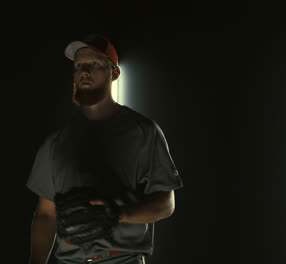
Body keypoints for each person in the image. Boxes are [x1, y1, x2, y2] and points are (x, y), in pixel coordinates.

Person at [26, 33, 183, 264]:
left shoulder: (142, 131)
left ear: (115, 72)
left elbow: (166, 204)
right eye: (79, 66)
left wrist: (120, 213)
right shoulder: (56, 142)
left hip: (122, 259)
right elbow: (46, 215)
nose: (85, 71)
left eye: (95, 64)